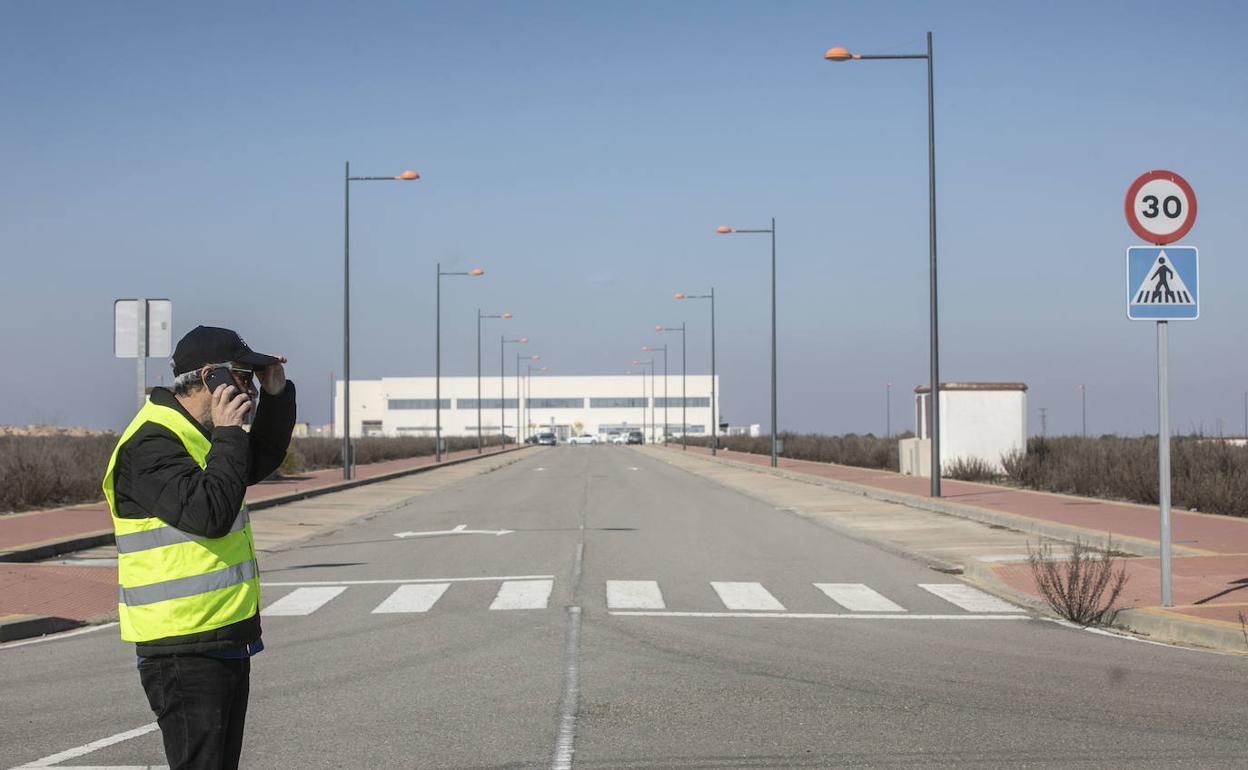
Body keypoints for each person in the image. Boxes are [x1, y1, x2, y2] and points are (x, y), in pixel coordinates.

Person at [101, 325, 296, 770]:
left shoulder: (197, 432)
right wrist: (230, 433)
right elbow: (210, 514)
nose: (249, 388)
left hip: (221, 635)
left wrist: (278, 396)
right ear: (210, 377)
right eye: (243, 377)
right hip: (181, 647)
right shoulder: (150, 443)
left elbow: (256, 459)